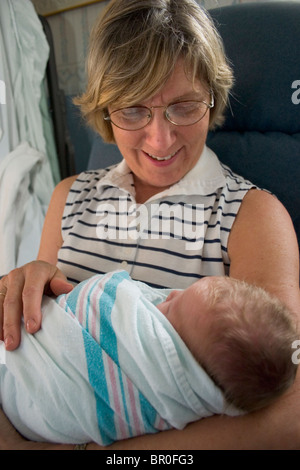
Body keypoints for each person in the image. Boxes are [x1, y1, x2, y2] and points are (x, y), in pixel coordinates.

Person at [0, 0, 299, 450]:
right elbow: (39, 347)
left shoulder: (254, 216)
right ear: (105, 109)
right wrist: (26, 290)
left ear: (212, 98)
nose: (161, 139)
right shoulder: (68, 197)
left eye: (183, 107)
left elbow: (291, 410)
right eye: (133, 111)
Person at [0, 270, 297, 446]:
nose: (167, 297)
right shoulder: (70, 193)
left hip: (30, 398)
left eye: (169, 314)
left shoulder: (253, 210)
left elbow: (286, 421)